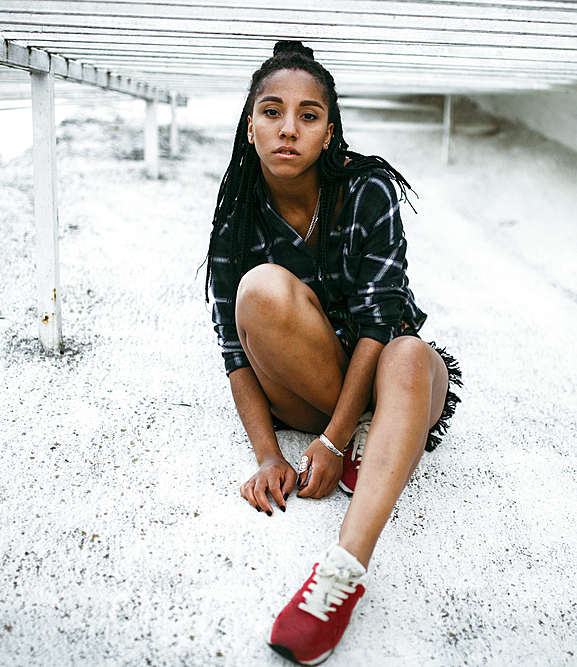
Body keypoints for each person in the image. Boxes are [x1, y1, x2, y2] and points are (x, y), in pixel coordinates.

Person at [205, 40, 462, 666]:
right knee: (259, 288)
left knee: (405, 351)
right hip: (308, 392)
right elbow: (235, 355)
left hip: (394, 385)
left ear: (328, 132)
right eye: (271, 112)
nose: (288, 128)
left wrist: (332, 439)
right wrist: (269, 455)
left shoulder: (366, 189)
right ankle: (370, 441)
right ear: (249, 127)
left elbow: (379, 320)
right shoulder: (236, 217)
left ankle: (340, 574)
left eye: (308, 115)